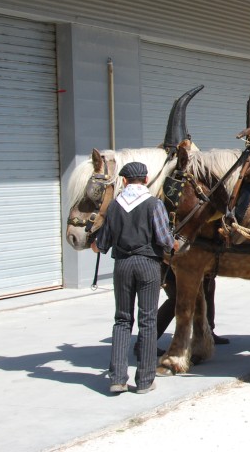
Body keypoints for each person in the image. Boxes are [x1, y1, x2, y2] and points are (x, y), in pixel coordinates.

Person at [91, 161, 179, 395]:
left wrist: (96, 244)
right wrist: (174, 242)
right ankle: (144, 380)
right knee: (148, 321)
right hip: (148, 264)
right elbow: (164, 239)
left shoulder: (114, 206)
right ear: (146, 179)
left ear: (125, 181)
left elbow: (102, 243)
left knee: (122, 319)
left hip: (122, 266)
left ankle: (118, 378)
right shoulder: (154, 204)